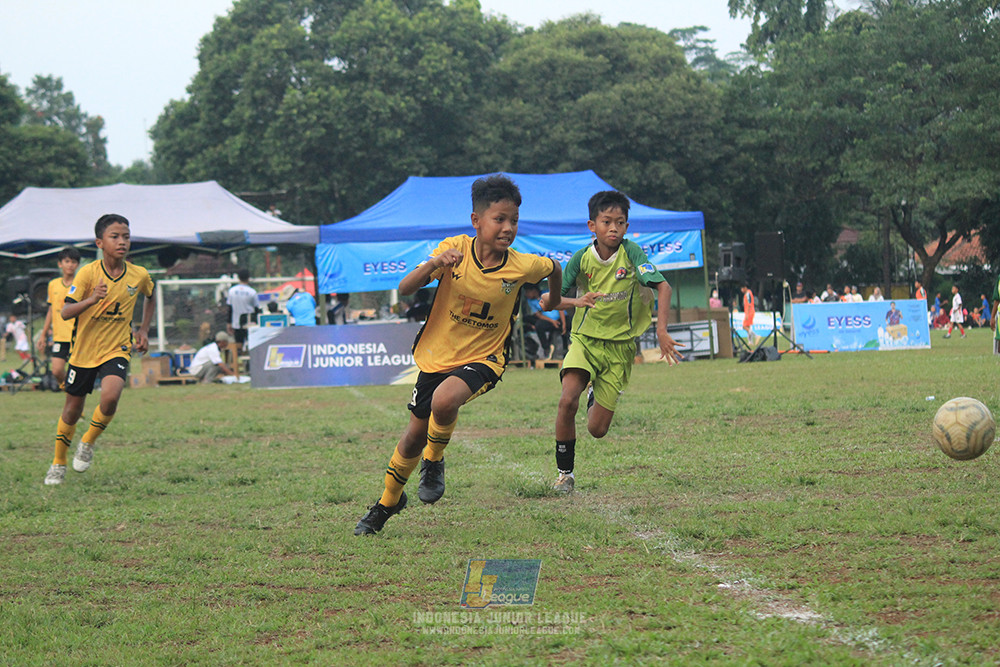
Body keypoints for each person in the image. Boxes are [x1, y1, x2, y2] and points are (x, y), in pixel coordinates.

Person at [354, 174, 562, 535]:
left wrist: (555, 300)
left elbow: (555, 268)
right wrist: (434, 265)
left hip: (485, 359)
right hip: (438, 356)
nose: (508, 228)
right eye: (499, 219)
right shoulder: (454, 250)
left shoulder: (522, 265)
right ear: (476, 221)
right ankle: (387, 504)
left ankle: (433, 463)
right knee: (411, 438)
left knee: (445, 402)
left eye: (513, 220)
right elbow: (404, 289)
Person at [538, 190, 682, 494]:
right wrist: (573, 302)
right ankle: (565, 474)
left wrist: (662, 331)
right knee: (566, 401)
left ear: (627, 227)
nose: (613, 228)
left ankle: (595, 393)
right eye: (607, 222)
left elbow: (664, 287)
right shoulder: (580, 259)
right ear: (593, 226)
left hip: (619, 348)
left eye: (620, 222)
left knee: (597, 429)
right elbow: (554, 301)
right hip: (585, 341)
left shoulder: (632, 255)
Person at [43, 214, 155, 486]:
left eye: (126, 236)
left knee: (111, 397)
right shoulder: (87, 273)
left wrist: (142, 330)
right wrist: (93, 298)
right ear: (99, 243)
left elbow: (151, 294)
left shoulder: (139, 274)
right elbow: (67, 311)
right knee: (72, 409)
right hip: (83, 352)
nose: (122, 242)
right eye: (114, 237)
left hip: (116, 348)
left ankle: (87, 443)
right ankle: (58, 462)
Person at [37, 247, 82, 384]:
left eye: (73, 262)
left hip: (78, 336)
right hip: (60, 337)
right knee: (56, 370)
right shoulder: (53, 285)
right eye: (67, 261)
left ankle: (74, 395)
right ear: (60, 264)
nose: (70, 265)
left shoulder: (81, 284)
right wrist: (43, 334)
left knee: (78, 372)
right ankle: (67, 389)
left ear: (77, 265)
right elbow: (51, 310)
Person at [525, 283, 566, 359]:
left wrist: (564, 323)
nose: (526, 294)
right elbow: (539, 315)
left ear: (533, 291)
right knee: (538, 325)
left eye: (527, 292)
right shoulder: (530, 301)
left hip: (561, 318)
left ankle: (566, 349)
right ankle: (547, 348)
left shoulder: (547, 294)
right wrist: (552, 321)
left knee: (567, 326)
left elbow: (560, 308)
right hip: (549, 320)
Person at [226, 268, 258, 353]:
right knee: (251, 344)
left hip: (236, 323)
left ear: (238, 278)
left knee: (238, 344)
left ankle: (239, 361)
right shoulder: (252, 292)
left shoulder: (232, 291)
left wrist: (229, 323)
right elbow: (256, 308)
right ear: (248, 278)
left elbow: (230, 308)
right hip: (249, 323)